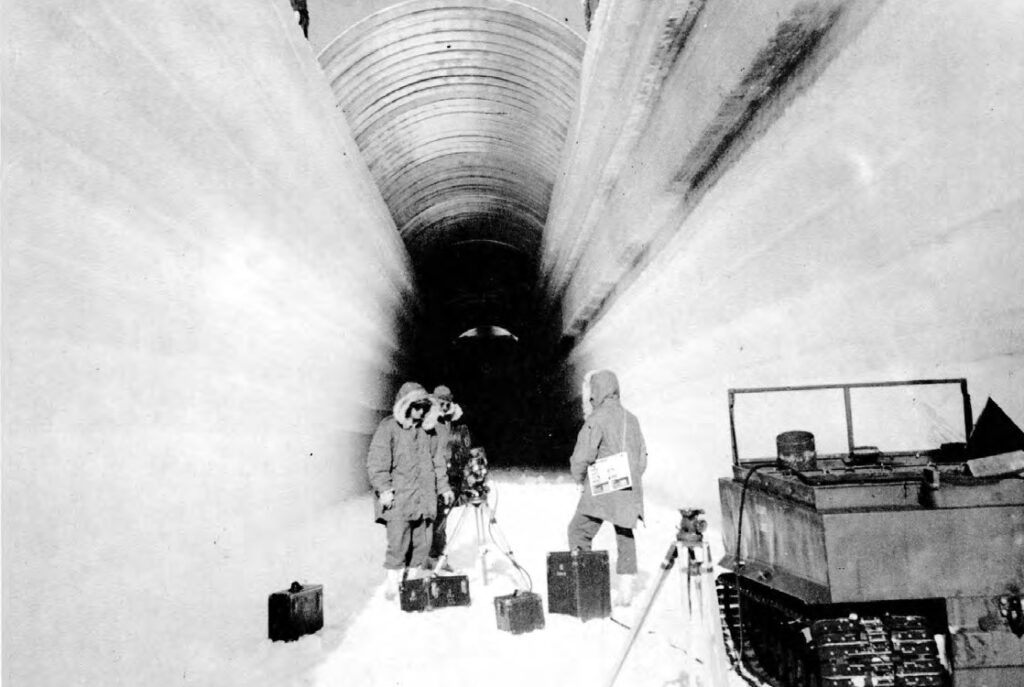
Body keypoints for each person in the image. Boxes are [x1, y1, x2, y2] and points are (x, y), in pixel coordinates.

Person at [367, 382, 454, 599]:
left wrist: (444, 487)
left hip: (425, 498)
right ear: (405, 405)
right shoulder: (389, 428)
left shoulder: (430, 432)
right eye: (416, 406)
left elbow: (438, 462)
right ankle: (393, 584)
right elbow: (377, 462)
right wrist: (384, 489)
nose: (421, 411)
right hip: (399, 499)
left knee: (422, 545)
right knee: (398, 545)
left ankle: (412, 585)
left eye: (425, 407)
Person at [568, 369, 648, 606]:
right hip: (628, 486)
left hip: (601, 486)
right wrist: (630, 477)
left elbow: (582, 456)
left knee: (578, 531)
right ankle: (626, 588)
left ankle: (587, 586)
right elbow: (642, 459)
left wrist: (580, 478)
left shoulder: (596, 420)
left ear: (596, 391)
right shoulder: (632, 419)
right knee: (624, 532)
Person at [426, 385, 473, 570]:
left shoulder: (454, 422)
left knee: (442, 517)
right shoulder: (428, 421)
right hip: (432, 475)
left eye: (447, 404)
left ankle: (438, 556)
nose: (444, 407)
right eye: (440, 403)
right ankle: (428, 556)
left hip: (448, 474)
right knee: (432, 518)